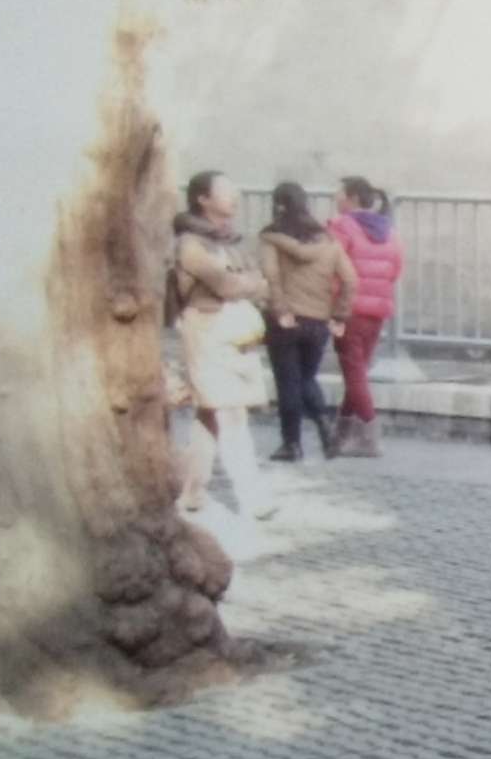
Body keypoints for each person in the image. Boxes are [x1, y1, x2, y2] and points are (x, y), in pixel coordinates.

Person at [172, 171, 276, 522]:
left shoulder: (229, 240)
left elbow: (258, 282)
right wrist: (248, 283)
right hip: (206, 330)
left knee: (211, 412)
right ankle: (252, 497)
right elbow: (227, 285)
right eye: (225, 191)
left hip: (231, 331)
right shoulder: (190, 244)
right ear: (203, 199)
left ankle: (192, 492)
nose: (234, 197)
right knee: (230, 412)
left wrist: (245, 283)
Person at [259, 182, 357, 461]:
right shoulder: (329, 241)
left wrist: (280, 310)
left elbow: (271, 276)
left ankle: (292, 444)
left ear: (278, 205)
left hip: (286, 319)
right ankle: (325, 424)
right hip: (318, 321)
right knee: (306, 378)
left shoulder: (271, 238)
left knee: (288, 381)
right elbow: (350, 280)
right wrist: (339, 315)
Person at [326, 176, 404, 458]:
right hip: (377, 309)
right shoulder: (388, 229)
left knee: (354, 373)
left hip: (349, 309)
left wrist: (333, 305)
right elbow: (396, 268)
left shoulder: (341, 226)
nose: (335, 198)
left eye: (339, 193)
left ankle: (370, 436)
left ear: (352, 198)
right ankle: (341, 435)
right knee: (357, 372)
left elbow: (331, 267)